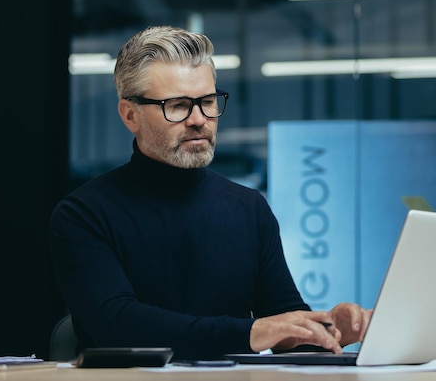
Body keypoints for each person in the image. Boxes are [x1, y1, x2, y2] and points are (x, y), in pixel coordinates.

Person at [49, 25, 372, 361]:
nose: (199, 119)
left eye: (206, 101)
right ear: (130, 114)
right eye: (177, 106)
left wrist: (330, 331)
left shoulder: (248, 208)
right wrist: (249, 332)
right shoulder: (83, 213)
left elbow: (283, 322)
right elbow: (116, 324)